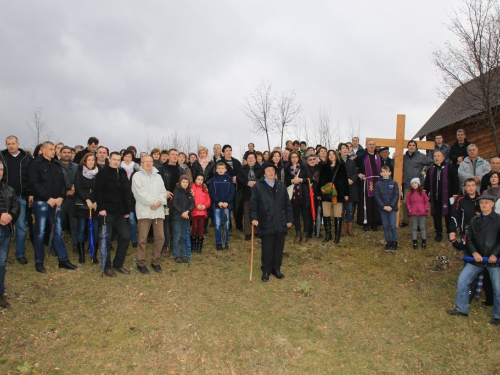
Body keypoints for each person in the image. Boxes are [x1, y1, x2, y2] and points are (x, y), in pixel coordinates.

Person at [447, 194, 500, 326]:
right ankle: (461, 309)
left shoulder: (499, 220)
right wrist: (475, 252)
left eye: (487, 203)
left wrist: (495, 254)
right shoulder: (474, 220)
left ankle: (498, 316)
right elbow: (469, 239)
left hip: (493, 261)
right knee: (463, 280)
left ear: (492, 205)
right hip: (477, 259)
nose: (484, 205)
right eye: (482, 203)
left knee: (498, 288)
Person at [29, 141, 78, 273]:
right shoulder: (35, 164)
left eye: (53, 149)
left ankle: (63, 260)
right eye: (50, 149)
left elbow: (62, 182)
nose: (53, 151)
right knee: (40, 232)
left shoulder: (57, 164)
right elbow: (34, 183)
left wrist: (61, 197)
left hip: (57, 202)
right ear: (43, 150)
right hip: (42, 203)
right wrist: (47, 198)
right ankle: (39, 261)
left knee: (57, 231)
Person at [250, 162, 293, 282]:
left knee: (278, 249)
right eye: (268, 170)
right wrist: (254, 218)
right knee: (267, 249)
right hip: (266, 221)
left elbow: (287, 204)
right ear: (264, 172)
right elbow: (253, 205)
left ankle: (276, 269)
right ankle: (266, 271)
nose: (270, 172)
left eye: (272, 170)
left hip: (280, 221)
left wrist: (289, 219)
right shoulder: (258, 186)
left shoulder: (281, 185)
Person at [94, 151, 131, 277]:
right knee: (106, 239)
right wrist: (101, 207)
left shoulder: (122, 173)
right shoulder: (103, 173)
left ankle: (118, 263)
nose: (116, 161)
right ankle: (107, 266)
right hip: (106, 211)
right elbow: (97, 191)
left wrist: (127, 210)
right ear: (109, 160)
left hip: (120, 212)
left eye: (118, 160)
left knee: (126, 236)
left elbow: (126, 192)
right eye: (114, 159)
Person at [0, 135, 33, 265]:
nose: (11, 146)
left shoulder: (26, 158)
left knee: (21, 227)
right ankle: (2, 256)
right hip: (3, 196)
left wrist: (30, 193)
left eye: (13, 143)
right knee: (4, 227)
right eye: (8, 144)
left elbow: (31, 176)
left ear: (18, 143)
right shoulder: (2, 157)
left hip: (19, 197)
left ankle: (20, 253)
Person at [131, 155, 167, 274]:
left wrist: (159, 202)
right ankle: (141, 263)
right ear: (141, 163)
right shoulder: (137, 176)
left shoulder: (158, 177)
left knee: (160, 238)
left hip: (158, 211)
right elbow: (140, 194)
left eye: (150, 162)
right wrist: (153, 202)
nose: (148, 164)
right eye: (145, 162)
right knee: (142, 239)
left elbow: (163, 192)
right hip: (144, 211)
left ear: (153, 163)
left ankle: (155, 261)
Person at [424, 150, 459, 242]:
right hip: (435, 198)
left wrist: (455, 193)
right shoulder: (431, 170)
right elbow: (427, 183)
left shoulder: (449, 167)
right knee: (436, 215)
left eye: (438, 156)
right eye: (435, 156)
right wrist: (425, 194)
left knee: (448, 215)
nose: (436, 158)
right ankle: (438, 233)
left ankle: (450, 232)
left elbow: (455, 180)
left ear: (443, 157)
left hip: (447, 197)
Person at [0, 162, 20, 308]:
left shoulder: (8, 189)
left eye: (1, 169)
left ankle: (0, 293)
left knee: (1, 263)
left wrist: (11, 216)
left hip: (5, 230)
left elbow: (16, 205)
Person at [73, 152, 99, 264]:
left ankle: (94, 254)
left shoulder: (98, 173)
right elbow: (78, 188)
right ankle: (82, 254)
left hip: (94, 206)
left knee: (95, 231)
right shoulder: (79, 173)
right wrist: (87, 200)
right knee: (81, 230)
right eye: (89, 160)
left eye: (93, 160)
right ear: (85, 161)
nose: (91, 162)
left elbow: (99, 189)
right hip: (82, 205)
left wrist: (95, 201)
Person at [318, 150, 349, 243]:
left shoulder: (341, 166)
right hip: (326, 193)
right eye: (329, 154)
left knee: (337, 214)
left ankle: (337, 236)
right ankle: (328, 235)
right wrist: (319, 193)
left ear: (336, 155)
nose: (331, 156)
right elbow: (320, 181)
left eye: (333, 154)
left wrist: (346, 194)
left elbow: (345, 180)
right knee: (326, 213)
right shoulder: (324, 166)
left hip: (338, 193)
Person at [401, 140, 433, 227]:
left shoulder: (421, 156)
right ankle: (405, 221)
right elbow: (396, 165)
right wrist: (394, 157)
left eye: (413, 145)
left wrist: (425, 170)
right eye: (410, 145)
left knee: (419, 203)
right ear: (407, 147)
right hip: (408, 184)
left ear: (416, 147)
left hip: (419, 184)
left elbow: (431, 162)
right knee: (405, 203)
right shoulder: (404, 157)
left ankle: (419, 223)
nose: (411, 147)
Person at [355, 139, 382, 231]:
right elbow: (354, 166)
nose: (371, 146)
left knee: (376, 201)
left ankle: (375, 222)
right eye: (369, 144)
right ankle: (366, 222)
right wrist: (358, 173)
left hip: (378, 181)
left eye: (373, 144)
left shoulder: (379, 156)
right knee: (366, 202)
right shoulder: (361, 156)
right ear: (366, 145)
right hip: (366, 182)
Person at [286, 151, 312, 244]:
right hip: (293, 195)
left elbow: (310, 179)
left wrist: (300, 180)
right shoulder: (287, 168)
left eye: (295, 156)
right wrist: (291, 181)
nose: (294, 158)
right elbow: (285, 181)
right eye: (292, 157)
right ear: (290, 158)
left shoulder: (303, 166)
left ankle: (305, 234)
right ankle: (298, 234)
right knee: (296, 216)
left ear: (298, 158)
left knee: (305, 215)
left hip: (303, 194)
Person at [237, 152, 264, 241]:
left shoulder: (260, 168)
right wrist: (247, 182)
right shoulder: (242, 168)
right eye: (249, 158)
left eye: (252, 158)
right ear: (246, 159)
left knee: (258, 212)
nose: (251, 159)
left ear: (255, 159)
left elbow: (263, 178)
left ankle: (257, 231)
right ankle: (248, 232)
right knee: (247, 212)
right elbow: (239, 178)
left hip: (258, 193)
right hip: (246, 193)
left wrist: (256, 182)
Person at [208, 162, 235, 250]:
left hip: (226, 206)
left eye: (222, 168)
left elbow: (232, 192)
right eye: (219, 168)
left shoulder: (229, 179)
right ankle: (219, 242)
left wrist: (227, 202)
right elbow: (212, 193)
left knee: (226, 224)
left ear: (225, 170)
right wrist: (218, 202)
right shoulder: (213, 180)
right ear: (216, 170)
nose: (220, 170)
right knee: (218, 224)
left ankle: (225, 241)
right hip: (217, 206)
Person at [449, 178, 480, 251]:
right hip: (466, 231)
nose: (471, 187)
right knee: (468, 251)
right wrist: (453, 231)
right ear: (465, 188)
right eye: (468, 186)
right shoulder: (460, 200)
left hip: (480, 231)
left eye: (473, 185)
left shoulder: (481, 199)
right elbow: (454, 216)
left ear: (476, 187)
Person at [374, 166, 399, 252]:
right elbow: (377, 196)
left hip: (392, 208)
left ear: (390, 173)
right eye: (383, 172)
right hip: (383, 208)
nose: (385, 173)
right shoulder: (377, 184)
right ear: (380, 173)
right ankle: (388, 242)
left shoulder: (394, 183)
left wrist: (391, 206)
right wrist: (383, 206)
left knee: (392, 225)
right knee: (385, 225)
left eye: (386, 171)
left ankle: (395, 242)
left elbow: (396, 195)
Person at [59, 146, 79, 253]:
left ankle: (76, 246)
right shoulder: (56, 166)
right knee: (58, 223)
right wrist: (69, 186)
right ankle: (55, 246)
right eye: (64, 152)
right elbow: (57, 181)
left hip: (74, 198)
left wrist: (74, 188)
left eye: (69, 152)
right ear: (60, 153)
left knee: (74, 224)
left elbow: (80, 179)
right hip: (61, 199)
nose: (67, 154)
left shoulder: (77, 166)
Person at [171, 175, 194, 263]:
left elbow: (192, 203)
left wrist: (187, 211)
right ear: (180, 182)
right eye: (183, 182)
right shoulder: (176, 191)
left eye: (186, 182)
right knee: (177, 237)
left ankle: (184, 253)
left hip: (186, 217)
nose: (185, 184)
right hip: (177, 217)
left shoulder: (189, 192)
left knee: (185, 236)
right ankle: (176, 255)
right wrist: (182, 212)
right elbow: (174, 203)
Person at [120, 150, 139, 247]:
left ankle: (134, 239)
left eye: (130, 157)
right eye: (126, 156)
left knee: (132, 220)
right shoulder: (119, 169)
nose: (127, 158)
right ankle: (123, 239)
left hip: (132, 199)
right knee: (121, 221)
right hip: (121, 199)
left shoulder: (136, 170)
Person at [339, 143, 358, 237]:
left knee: (350, 210)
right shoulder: (338, 161)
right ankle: (341, 229)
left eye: (346, 148)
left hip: (350, 188)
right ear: (340, 151)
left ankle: (349, 229)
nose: (345, 150)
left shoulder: (351, 161)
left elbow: (355, 172)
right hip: (341, 189)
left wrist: (352, 180)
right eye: (343, 148)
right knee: (341, 210)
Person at [406, 178, 429, 250]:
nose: (414, 185)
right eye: (412, 184)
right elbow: (408, 202)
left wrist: (425, 209)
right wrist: (409, 208)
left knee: (422, 226)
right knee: (414, 227)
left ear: (418, 184)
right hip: (413, 212)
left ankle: (424, 241)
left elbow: (426, 202)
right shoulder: (410, 193)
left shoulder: (423, 193)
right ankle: (414, 241)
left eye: (415, 183)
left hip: (422, 212)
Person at [190, 174, 211, 252]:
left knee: (201, 227)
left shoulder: (205, 188)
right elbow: (191, 198)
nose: (200, 181)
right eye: (198, 179)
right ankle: (193, 244)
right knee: (195, 226)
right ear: (195, 180)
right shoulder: (192, 188)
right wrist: (196, 205)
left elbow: (208, 199)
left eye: (201, 180)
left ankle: (199, 246)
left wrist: (205, 206)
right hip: (195, 210)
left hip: (202, 211)